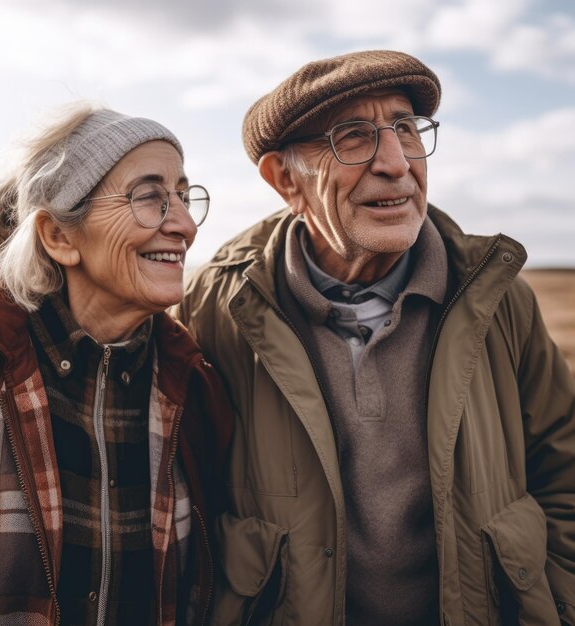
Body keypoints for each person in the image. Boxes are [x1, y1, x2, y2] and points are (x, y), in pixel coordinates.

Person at [174, 50, 575, 625]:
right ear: (285, 178)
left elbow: (564, 471)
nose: (396, 162)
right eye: (353, 138)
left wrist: (557, 606)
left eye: (406, 129)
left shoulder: (496, 296)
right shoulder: (218, 307)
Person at [0, 103, 233, 625]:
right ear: (60, 236)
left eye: (184, 196)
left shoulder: (194, 387)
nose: (186, 225)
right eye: (150, 196)